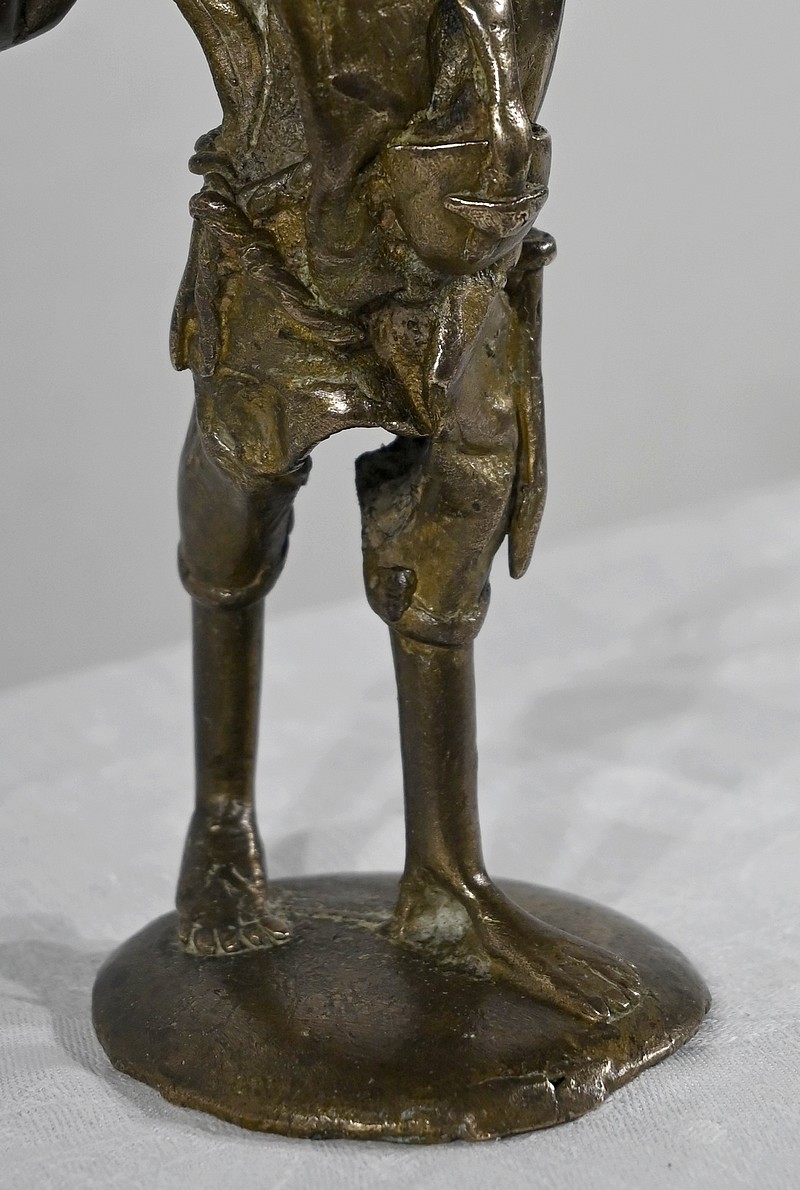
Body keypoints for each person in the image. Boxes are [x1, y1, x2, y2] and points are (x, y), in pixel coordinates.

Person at [2, 0, 640, 1022]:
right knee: (237, 507)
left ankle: (447, 877)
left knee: (458, 522)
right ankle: (222, 820)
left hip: (457, 252)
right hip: (286, 252)